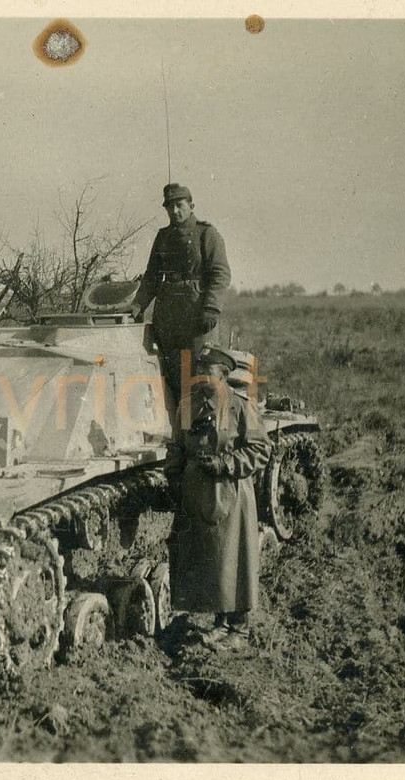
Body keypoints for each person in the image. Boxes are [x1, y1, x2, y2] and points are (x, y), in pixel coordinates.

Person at [164, 346, 271, 650]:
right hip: (197, 496)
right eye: (198, 370)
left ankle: (238, 630)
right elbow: (177, 447)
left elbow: (261, 449)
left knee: (233, 559)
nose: (201, 376)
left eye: (208, 371)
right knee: (212, 561)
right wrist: (173, 474)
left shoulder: (239, 406)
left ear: (223, 376)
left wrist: (227, 464)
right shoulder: (188, 406)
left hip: (231, 493)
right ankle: (220, 624)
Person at [135, 183, 231, 407]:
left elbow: (221, 274)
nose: (175, 212)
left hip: (197, 317)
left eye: (179, 206)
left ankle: (200, 434)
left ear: (191, 206)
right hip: (168, 318)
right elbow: (152, 277)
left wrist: (211, 308)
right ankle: (178, 431)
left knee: (201, 376)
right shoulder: (163, 237)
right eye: (170, 208)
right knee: (172, 375)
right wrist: (137, 306)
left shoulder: (206, 234)